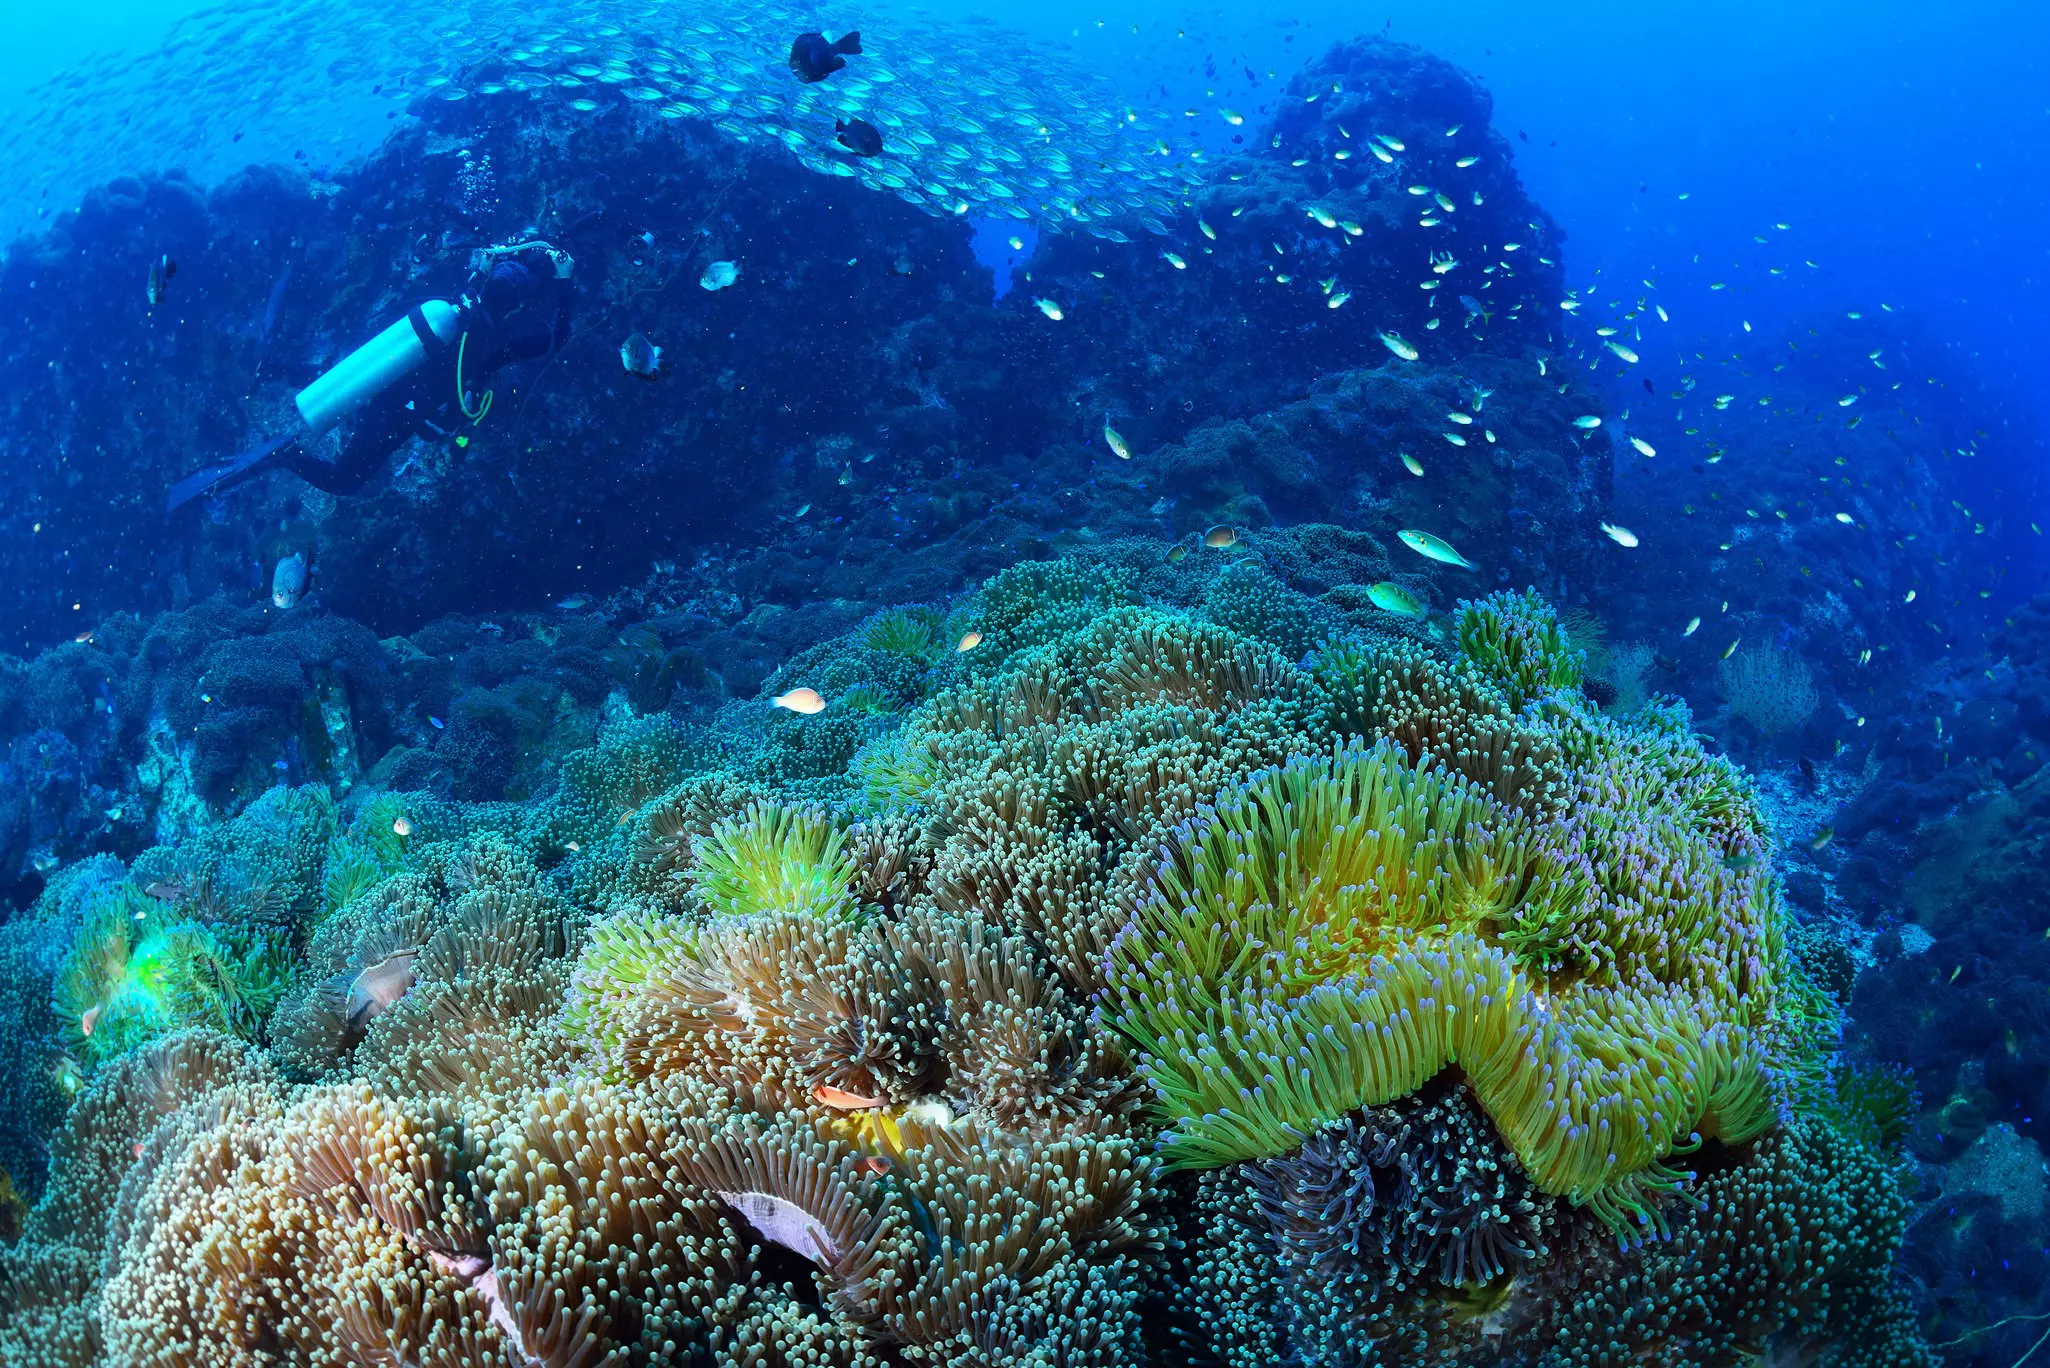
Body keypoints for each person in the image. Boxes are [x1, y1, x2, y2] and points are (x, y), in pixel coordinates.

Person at [167, 241, 574, 510]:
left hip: (382, 383)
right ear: (517, 305)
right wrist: (565, 285)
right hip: (400, 416)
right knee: (345, 481)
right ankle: (286, 456)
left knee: (340, 381)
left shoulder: (455, 304)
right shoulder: (497, 343)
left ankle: (276, 369)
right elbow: (557, 338)